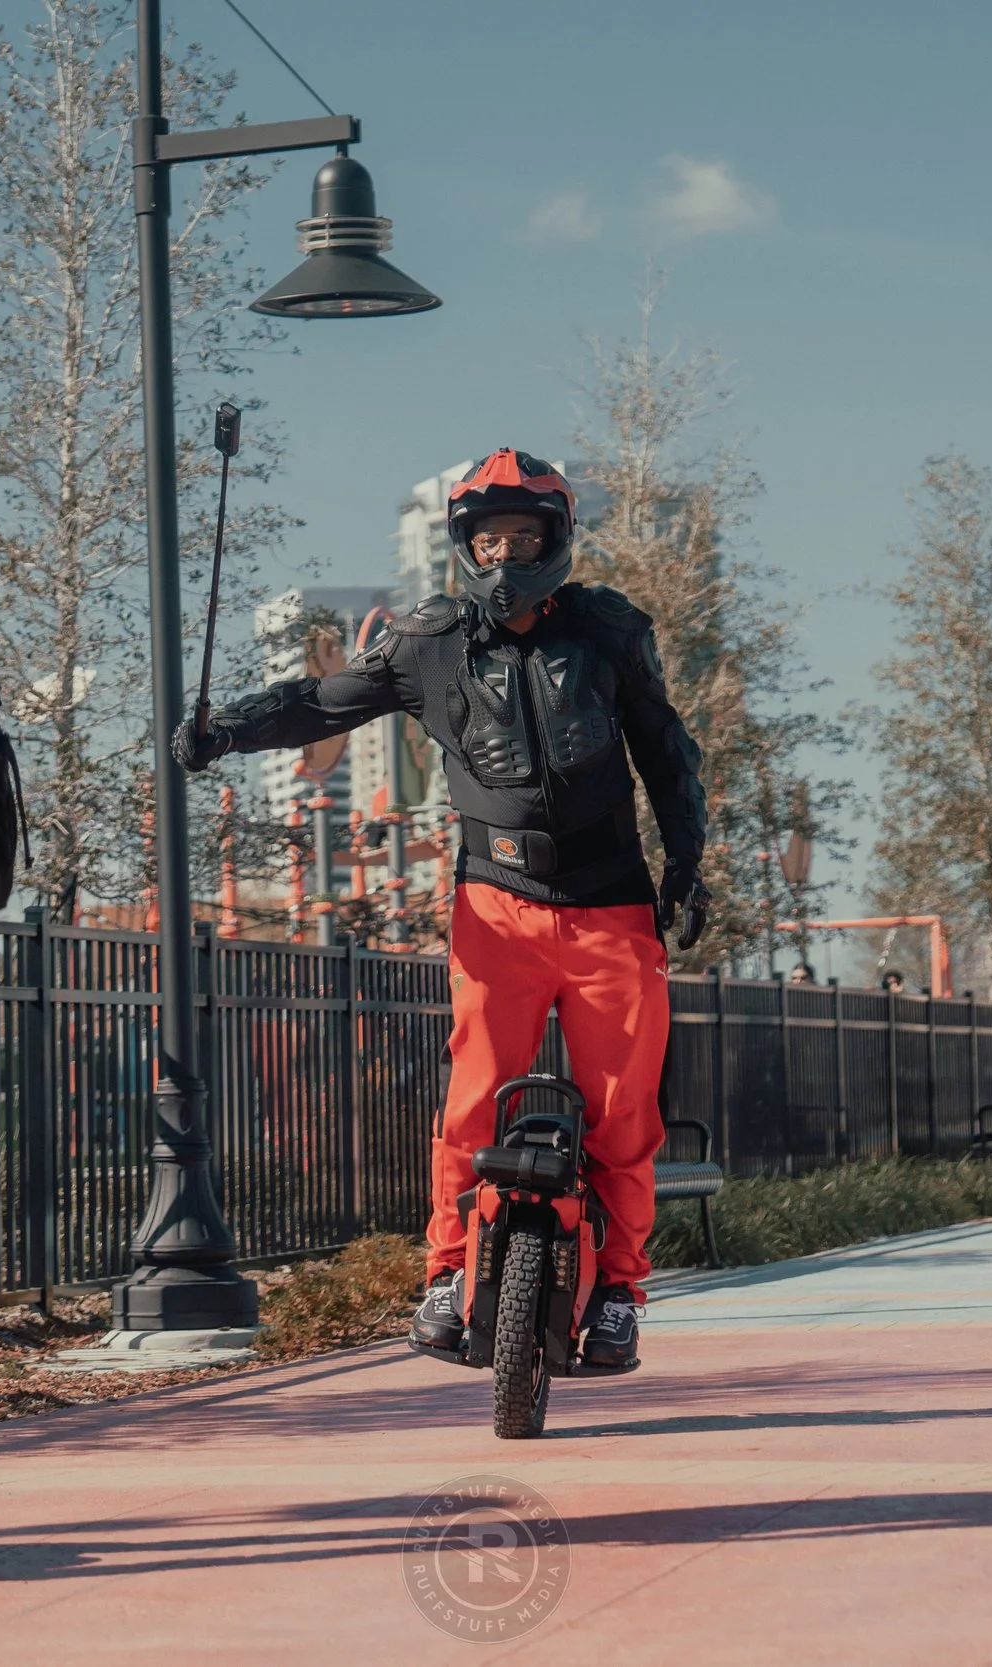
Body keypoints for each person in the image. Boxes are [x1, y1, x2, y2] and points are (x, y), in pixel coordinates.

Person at [174, 449, 708, 1371]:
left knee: (626, 1115)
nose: (505, 554)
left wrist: (689, 865)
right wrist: (226, 729)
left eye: (523, 536)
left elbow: (667, 748)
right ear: (465, 544)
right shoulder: (429, 641)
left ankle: (621, 1290)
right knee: (471, 1102)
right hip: (495, 906)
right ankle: (447, 1272)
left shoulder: (609, 630)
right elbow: (321, 703)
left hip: (613, 905)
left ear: (555, 538)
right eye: (488, 539)